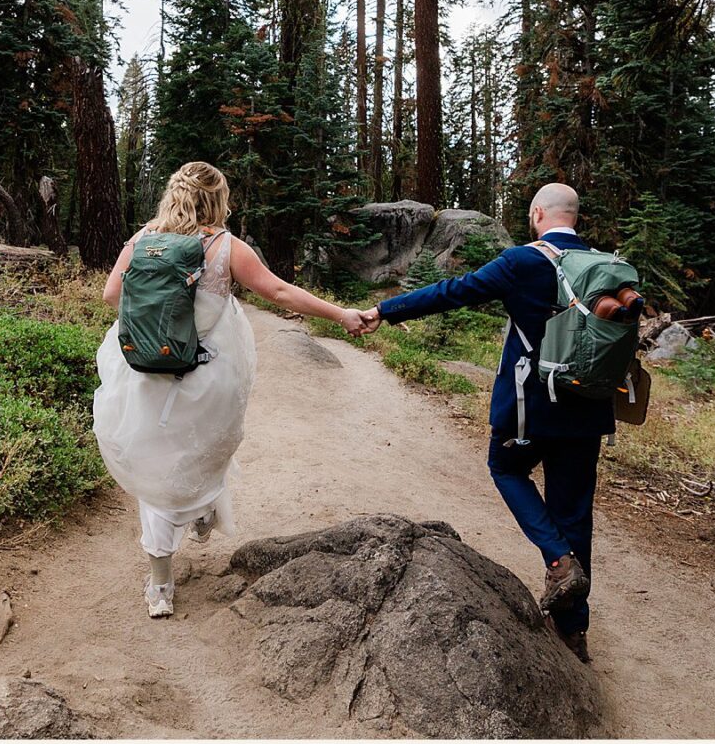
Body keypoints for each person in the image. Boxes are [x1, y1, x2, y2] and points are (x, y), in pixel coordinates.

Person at [96, 162, 368, 619]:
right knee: (208, 448)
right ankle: (202, 512)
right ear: (217, 201)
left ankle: (160, 585)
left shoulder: (142, 240)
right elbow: (279, 292)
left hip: (145, 372)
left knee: (156, 468)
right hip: (207, 379)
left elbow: (110, 296)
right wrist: (341, 314)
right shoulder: (225, 246)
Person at [357, 183, 610, 662]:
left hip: (530, 405)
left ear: (538, 214)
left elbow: (455, 292)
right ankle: (573, 632)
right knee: (574, 511)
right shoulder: (603, 265)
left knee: (506, 468)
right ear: (574, 218)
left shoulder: (524, 261)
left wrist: (383, 311)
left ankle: (558, 560)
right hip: (587, 408)